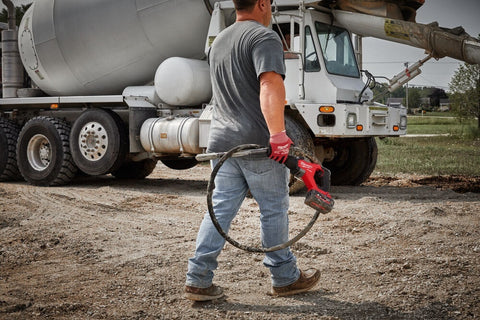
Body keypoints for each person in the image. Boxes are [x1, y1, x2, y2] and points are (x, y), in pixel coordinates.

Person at [185, 0, 320, 301]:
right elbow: (269, 85)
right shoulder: (264, 37)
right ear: (261, 3)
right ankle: (284, 278)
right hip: (256, 144)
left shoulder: (218, 41)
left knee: (218, 210)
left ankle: (198, 279)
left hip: (221, 144)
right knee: (273, 209)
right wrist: (278, 135)